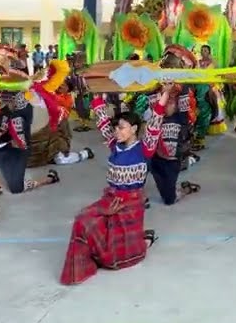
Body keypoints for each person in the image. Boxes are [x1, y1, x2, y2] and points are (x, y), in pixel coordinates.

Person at [60, 87, 170, 285]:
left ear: (134, 129)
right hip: (111, 199)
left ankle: (144, 241)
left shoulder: (145, 148)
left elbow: (155, 123)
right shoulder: (114, 144)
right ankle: (142, 240)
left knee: (114, 260)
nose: (117, 131)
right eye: (116, 128)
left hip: (131, 204)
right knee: (83, 221)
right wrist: (97, 95)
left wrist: (166, 94)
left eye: (122, 127)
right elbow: (102, 121)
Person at [0, 87, 61, 198]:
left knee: (16, 189)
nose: (4, 101)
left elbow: (18, 105)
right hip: (5, 149)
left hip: (18, 153)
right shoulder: (6, 109)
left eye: (8, 98)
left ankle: (49, 179)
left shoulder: (24, 111)